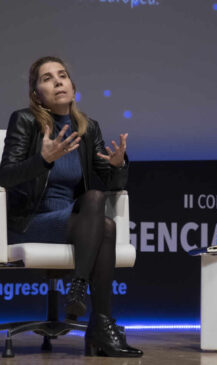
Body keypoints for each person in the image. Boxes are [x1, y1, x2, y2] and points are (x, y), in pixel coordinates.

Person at [0, 56, 142, 358]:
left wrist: (118, 166)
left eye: (62, 75)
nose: (57, 81)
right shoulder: (24, 120)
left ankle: (86, 300)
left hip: (73, 221)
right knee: (101, 221)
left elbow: (111, 182)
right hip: (29, 221)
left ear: (72, 86)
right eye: (47, 78)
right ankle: (99, 323)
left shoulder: (88, 128)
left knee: (99, 209)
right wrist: (43, 160)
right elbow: (5, 176)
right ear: (37, 94)